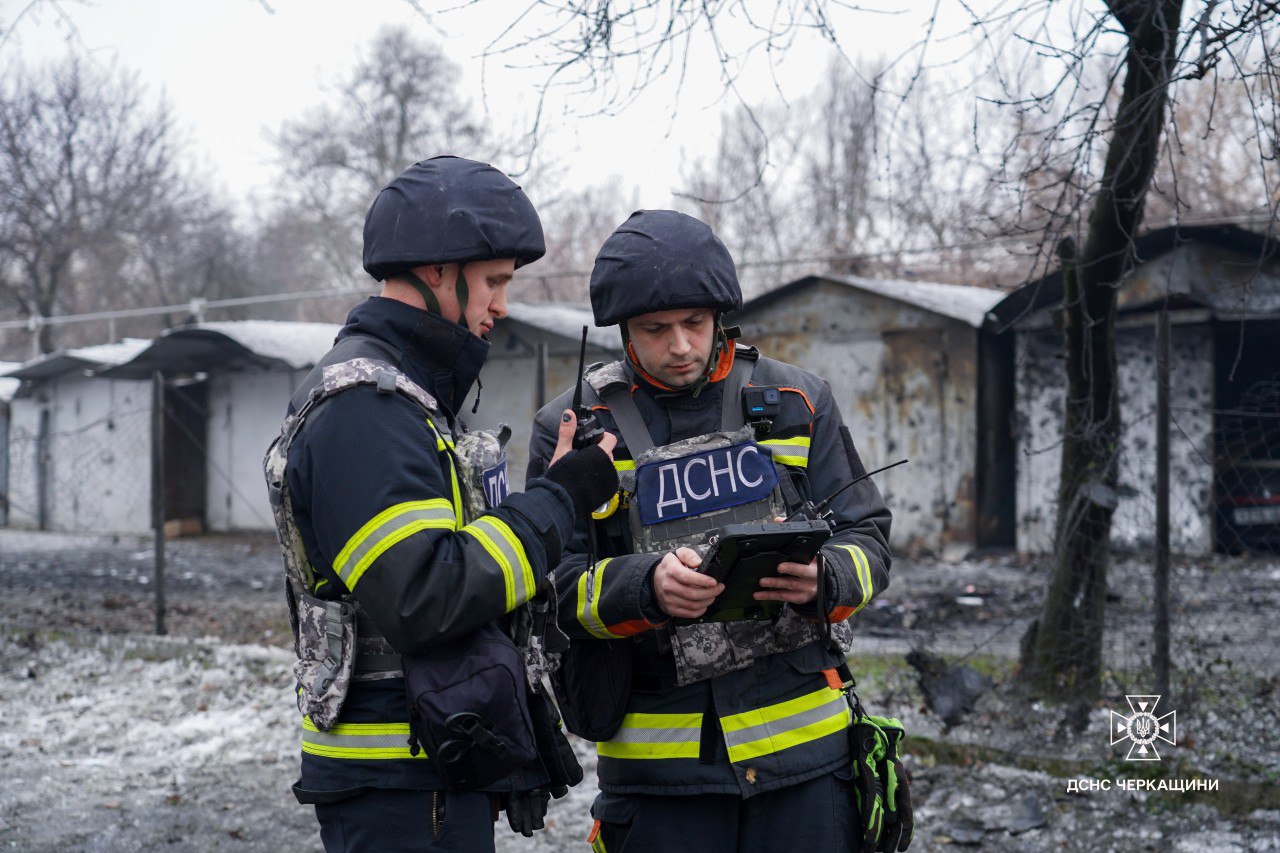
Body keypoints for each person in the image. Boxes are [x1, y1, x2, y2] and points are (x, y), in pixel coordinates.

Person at [263, 155, 619, 852]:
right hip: (398, 780)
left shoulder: (406, 396)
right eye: (493, 282)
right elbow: (426, 594)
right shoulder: (366, 404)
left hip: (426, 763)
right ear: (436, 269)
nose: (502, 306)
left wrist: (551, 485)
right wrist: (563, 497)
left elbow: (453, 559)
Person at [527, 210, 895, 851]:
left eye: (694, 324)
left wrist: (824, 577)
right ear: (622, 330)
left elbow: (869, 539)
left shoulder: (797, 402)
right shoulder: (571, 429)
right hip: (660, 783)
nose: (680, 347)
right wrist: (644, 588)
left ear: (719, 314)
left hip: (807, 770)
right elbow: (542, 590)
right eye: (655, 329)